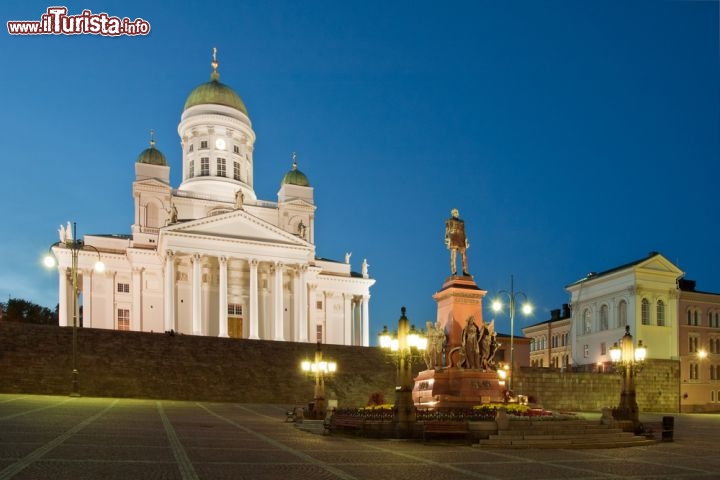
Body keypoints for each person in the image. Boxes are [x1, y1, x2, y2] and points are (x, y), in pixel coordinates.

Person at [445, 208, 469, 276]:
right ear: (452, 213)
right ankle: (454, 272)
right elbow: (447, 231)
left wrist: (466, 240)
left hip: (461, 239)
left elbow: (464, 232)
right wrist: (447, 240)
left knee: (464, 257)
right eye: (455, 212)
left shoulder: (462, 222)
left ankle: (465, 272)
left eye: (457, 212)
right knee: (453, 257)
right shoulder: (449, 221)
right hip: (453, 239)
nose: (456, 213)